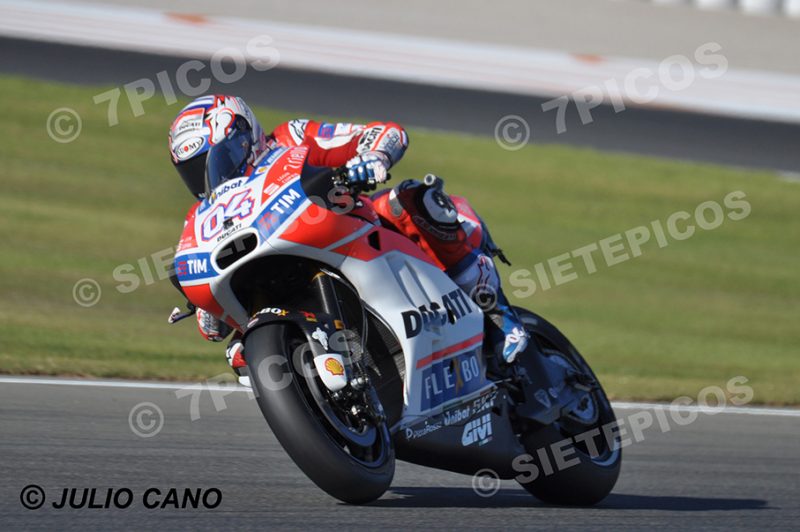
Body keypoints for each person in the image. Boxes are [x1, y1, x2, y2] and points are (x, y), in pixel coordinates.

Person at [168, 94, 528, 372]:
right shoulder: (199, 217)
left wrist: (373, 157)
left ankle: (497, 314)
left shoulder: (290, 139)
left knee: (412, 200)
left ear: (245, 135)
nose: (209, 177)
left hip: (356, 236)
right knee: (238, 354)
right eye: (193, 172)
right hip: (276, 269)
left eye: (217, 158)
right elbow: (211, 323)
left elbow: (383, 133)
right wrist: (206, 304)